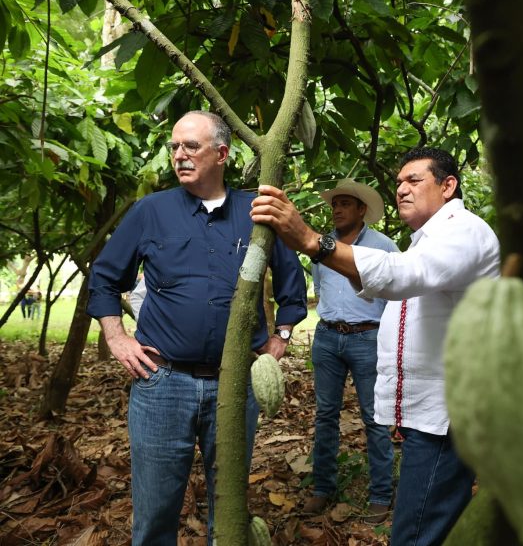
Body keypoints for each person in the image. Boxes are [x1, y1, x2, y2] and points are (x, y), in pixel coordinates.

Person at [251, 146, 501, 546]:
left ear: (448, 185)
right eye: (399, 181)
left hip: (449, 417)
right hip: (432, 415)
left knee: (414, 532)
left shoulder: (464, 230)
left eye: (414, 180)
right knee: (432, 525)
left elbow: (402, 275)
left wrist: (313, 241)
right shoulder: (428, 239)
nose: (402, 189)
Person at [87, 110, 308, 546]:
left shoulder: (256, 212)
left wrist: (281, 336)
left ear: (222, 153)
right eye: (174, 147)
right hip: (162, 381)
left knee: (227, 509)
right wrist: (117, 337)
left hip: (234, 383)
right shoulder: (151, 211)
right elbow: (105, 278)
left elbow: (291, 280)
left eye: (191, 146)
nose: (179, 155)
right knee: (154, 513)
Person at [303, 179, 398, 522]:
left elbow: (398, 297)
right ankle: (322, 489)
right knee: (325, 415)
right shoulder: (321, 246)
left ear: (361, 211)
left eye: (346, 204)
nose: (338, 209)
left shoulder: (383, 246)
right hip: (328, 336)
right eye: (335, 204)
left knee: (374, 417)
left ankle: (381, 494)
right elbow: (320, 288)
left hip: (366, 339)